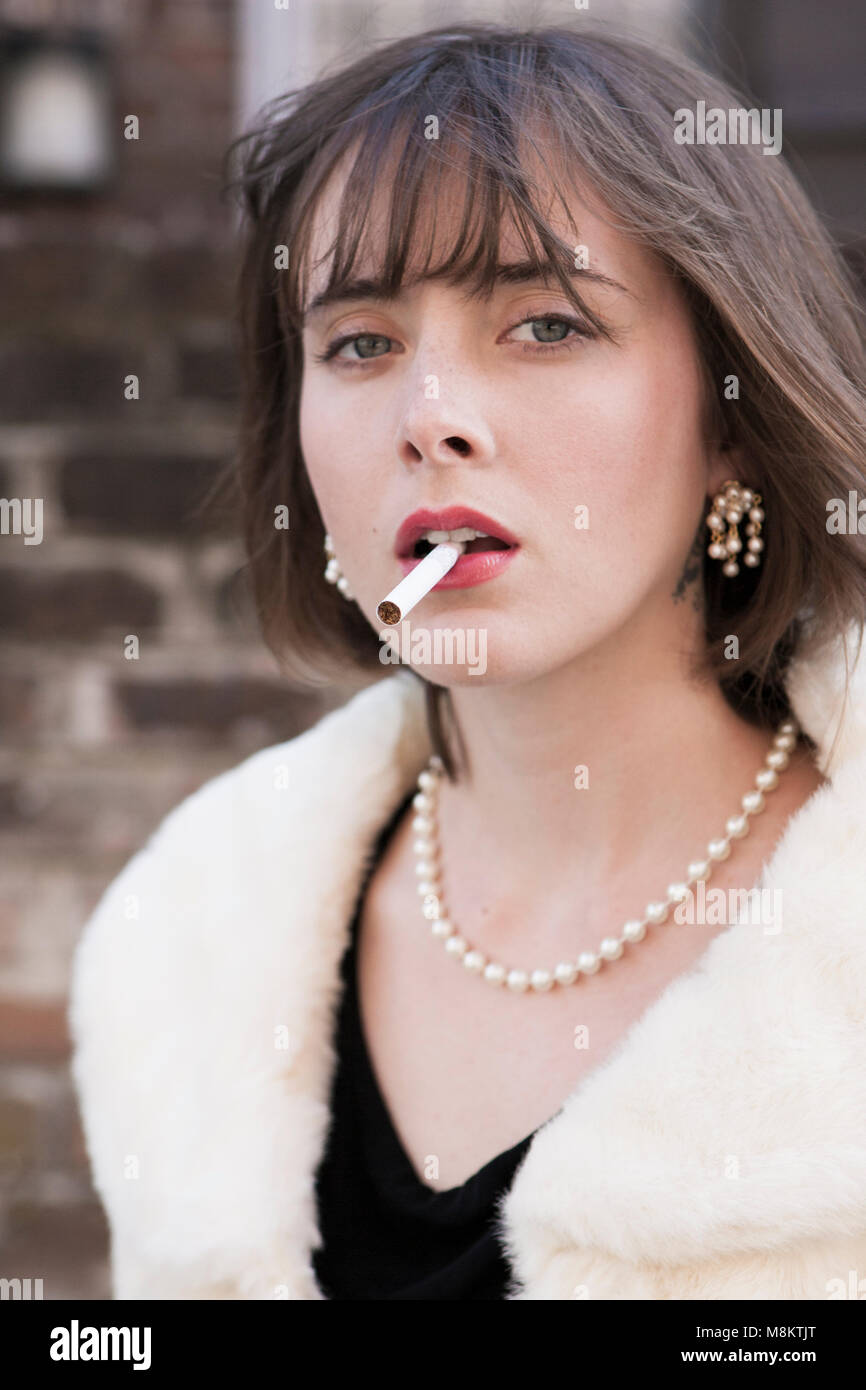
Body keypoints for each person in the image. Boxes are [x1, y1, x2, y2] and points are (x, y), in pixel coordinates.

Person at [69, 22, 866, 1300]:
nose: (427, 414)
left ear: (732, 416)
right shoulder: (186, 954)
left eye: (545, 324)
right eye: (360, 344)